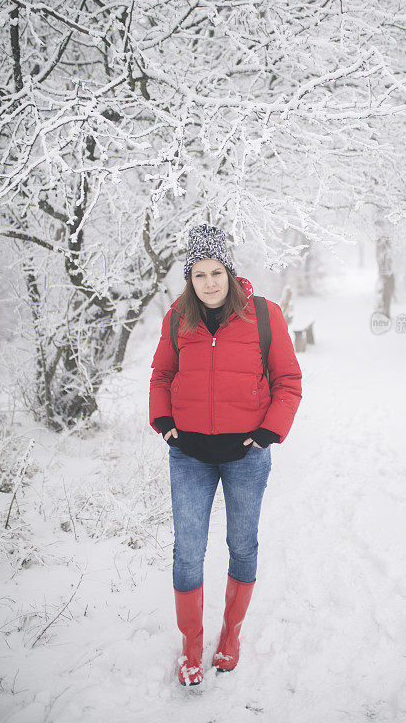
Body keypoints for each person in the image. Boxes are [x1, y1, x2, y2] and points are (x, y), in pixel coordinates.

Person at [149, 224, 302, 686]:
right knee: (187, 552)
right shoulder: (178, 318)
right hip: (189, 455)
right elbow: (161, 375)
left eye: (217, 271)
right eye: (199, 274)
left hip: (246, 456)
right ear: (189, 279)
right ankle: (192, 645)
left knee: (242, 544)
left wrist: (269, 431)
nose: (210, 282)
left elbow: (288, 381)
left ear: (231, 273)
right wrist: (165, 424)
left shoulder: (264, 315)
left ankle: (230, 635)